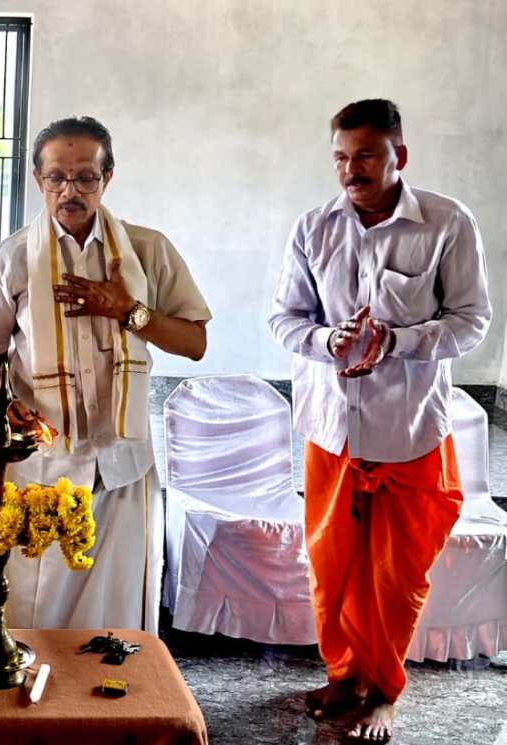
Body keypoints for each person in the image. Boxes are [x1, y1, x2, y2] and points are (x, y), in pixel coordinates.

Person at [269, 98, 491, 742]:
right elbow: (284, 318)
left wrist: (398, 341)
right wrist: (328, 341)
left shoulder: (447, 223)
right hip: (330, 429)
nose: (351, 170)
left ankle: (384, 692)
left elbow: (471, 321)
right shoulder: (313, 228)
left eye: (366, 155)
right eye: (341, 157)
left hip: (410, 428)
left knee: (397, 577)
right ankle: (343, 677)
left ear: (400, 156)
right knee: (332, 568)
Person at [0, 116, 210, 632]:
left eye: (85, 178)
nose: (69, 191)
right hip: (42, 467)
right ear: (38, 179)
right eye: (56, 177)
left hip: (121, 467)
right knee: (30, 611)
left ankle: (105, 689)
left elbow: (195, 343)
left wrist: (129, 312)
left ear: (107, 177)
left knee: (113, 616)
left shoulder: (147, 250)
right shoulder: (12, 259)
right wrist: (8, 405)